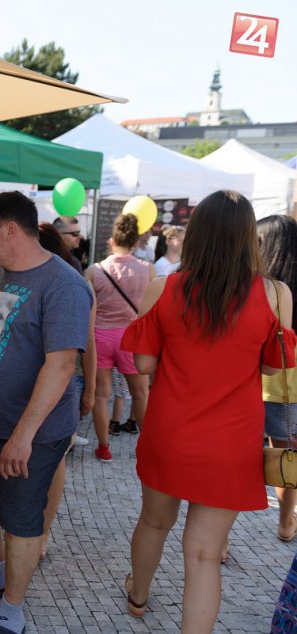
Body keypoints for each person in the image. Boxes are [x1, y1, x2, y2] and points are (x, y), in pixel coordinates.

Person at [120, 190, 295, 631]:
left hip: (171, 431)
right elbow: (277, 367)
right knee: (203, 555)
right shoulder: (275, 294)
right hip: (233, 442)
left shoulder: (165, 286)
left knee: (154, 522)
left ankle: (138, 596)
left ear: (195, 234)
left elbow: (142, 364)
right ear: (247, 237)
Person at [0, 192, 92, 634]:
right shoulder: (0, 273)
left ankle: (13, 611)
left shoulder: (64, 285)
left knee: (21, 522)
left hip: (29, 433)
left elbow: (62, 364)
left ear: (11, 229)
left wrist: (23, 434)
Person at [36, 222, 97, 558]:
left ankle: (43, 531)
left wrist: (90, 390)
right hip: (33, 381)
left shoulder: (76, 284)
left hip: (65, 380)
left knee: (54, 460)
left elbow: (88, 343)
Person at [85, 213, 154, 462]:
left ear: (111, 240)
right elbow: (154, 308)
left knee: (101, 394)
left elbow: (83, 307)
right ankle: (147, 448)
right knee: (141, 394)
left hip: (100, 336)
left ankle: (104, 447)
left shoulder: (94, 271)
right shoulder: (147, 270)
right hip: (132, 338)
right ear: (136, 243)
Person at [258, 215, 297, 542]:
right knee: (286, 454)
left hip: (256, 384)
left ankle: (222, 538)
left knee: (239, 455)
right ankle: (286, 522)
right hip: (290, 389)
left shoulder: (262, 289)